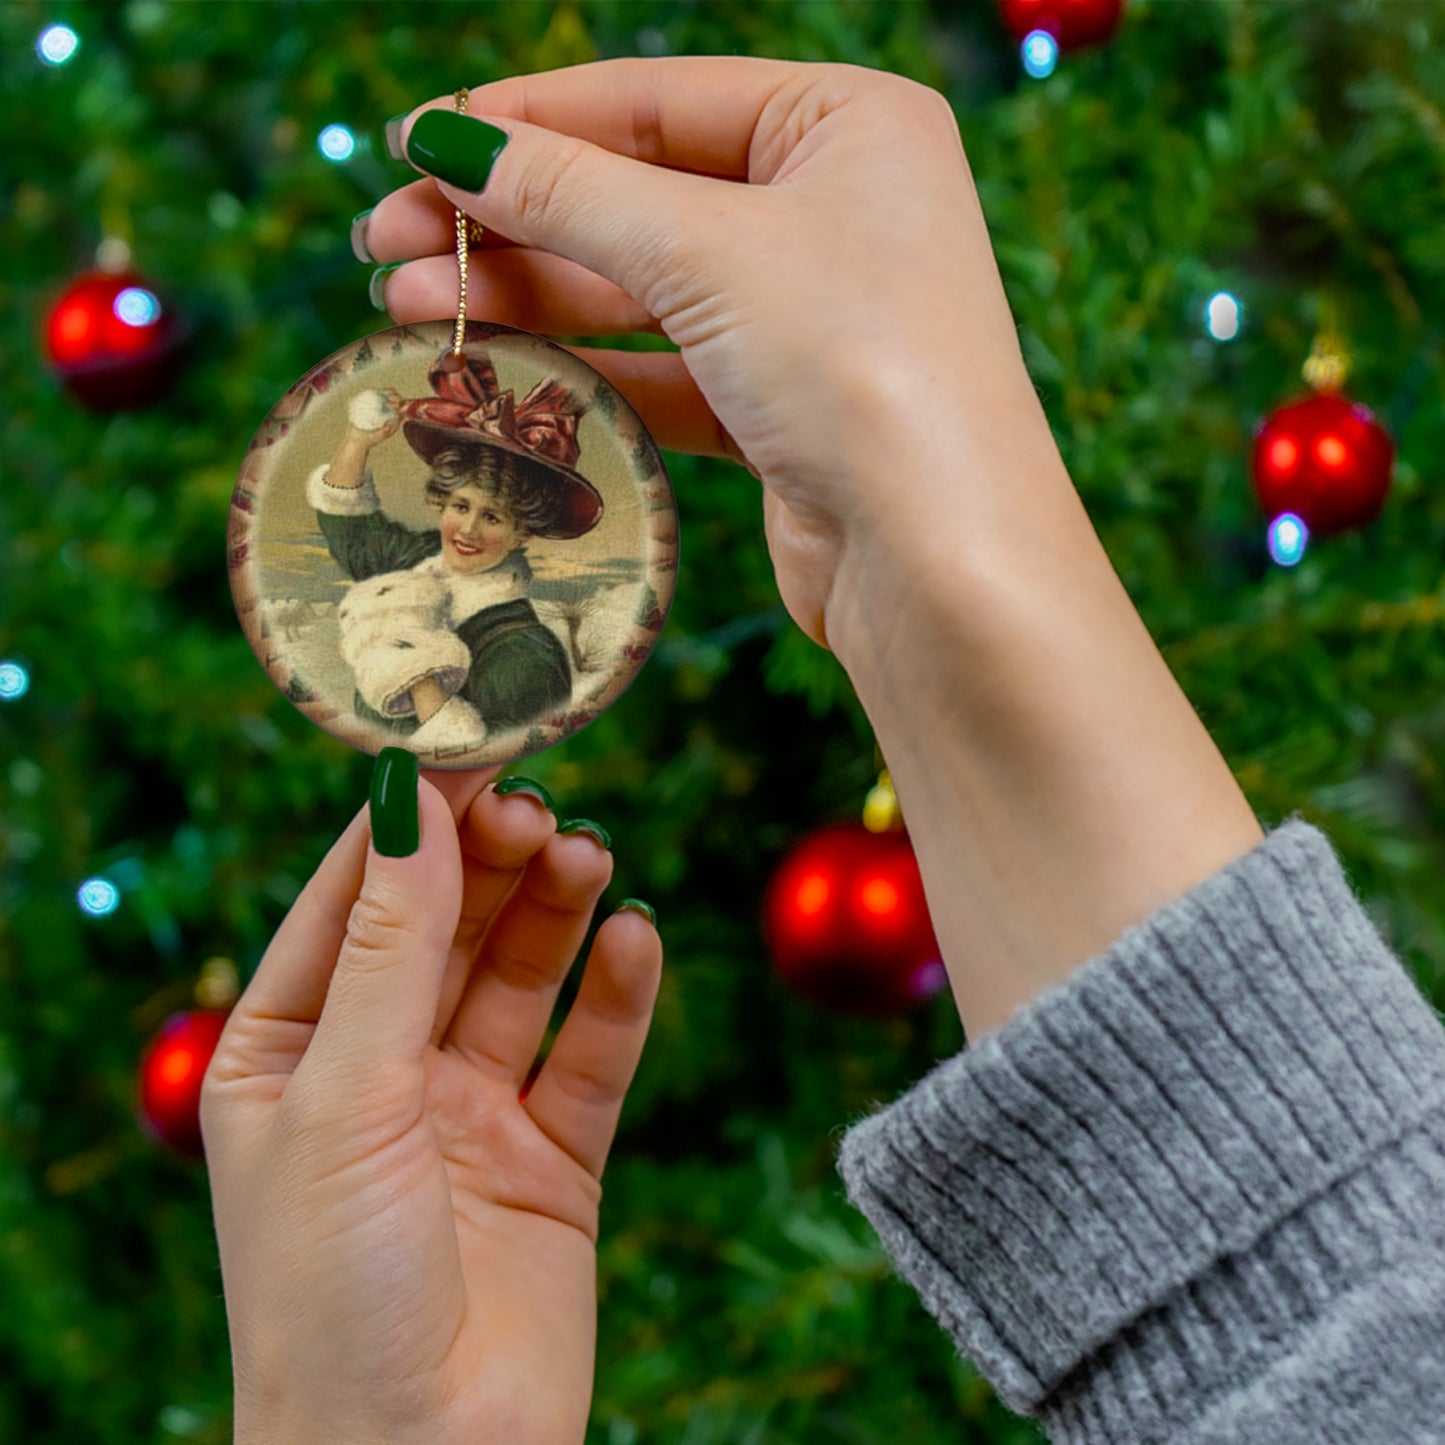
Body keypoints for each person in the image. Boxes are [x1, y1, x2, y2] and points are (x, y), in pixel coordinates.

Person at [200, 55, 1445, 1445]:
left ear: (539, 520)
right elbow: (1335, 1332)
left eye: (500, 504)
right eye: (459, 495)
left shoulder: (516, 638)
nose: (473, 520)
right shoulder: (414, 552)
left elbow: (1336, 1335)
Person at [309, 348, 602, 749]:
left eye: (493, 517)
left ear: (522, 534)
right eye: (461, 506)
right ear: (443, 503)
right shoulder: (417, 562)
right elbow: (354, 536)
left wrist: (412, 662)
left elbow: (487, 759)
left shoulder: (525, 657)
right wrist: (358, 440)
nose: (468, 530)